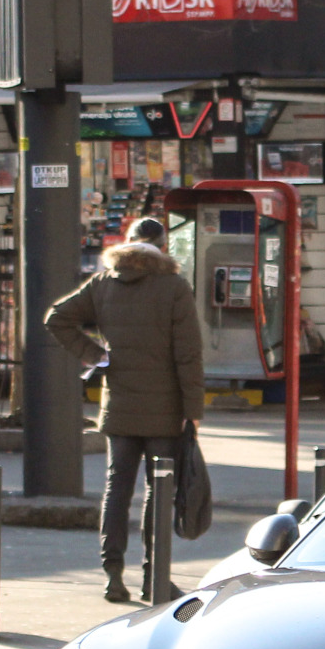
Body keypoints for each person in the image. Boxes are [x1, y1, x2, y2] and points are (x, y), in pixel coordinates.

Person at [47, 228, 203, 604]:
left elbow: (56, 318)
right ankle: (155, 577)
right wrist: (193, 410)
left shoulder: (104, 282)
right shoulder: (173, 287)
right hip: (164, 409)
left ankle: (112, 575)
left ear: (128, 241)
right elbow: (188, 354)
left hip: (118, 405)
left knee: (117, 488)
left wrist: (97, 355)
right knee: (158, 490)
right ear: (161, 246)